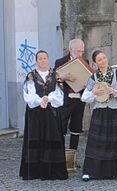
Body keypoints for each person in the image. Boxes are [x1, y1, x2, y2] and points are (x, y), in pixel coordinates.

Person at [81, 50, 117, 181]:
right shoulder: (94, 77)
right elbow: (84, 97)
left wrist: (115, 92)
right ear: (95, 63)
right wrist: (94, 92)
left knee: (114, 142)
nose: (103, 61)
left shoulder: (116, 73)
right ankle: (92, 170)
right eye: (99, 60)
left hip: (115, 110)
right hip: (100, 111)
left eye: (104, 58)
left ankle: (113, 170)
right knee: (97, 143)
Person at [19, 50, 68, 180]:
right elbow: (28, 94)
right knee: (36, 137)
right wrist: (40, 101)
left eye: (44, 58)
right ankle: (35, 171)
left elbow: (59, 94)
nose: (42, 60)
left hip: (51, 112)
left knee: (52, 137)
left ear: (48, 59)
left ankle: (52, 170)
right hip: (35, 112)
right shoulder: (31, 76)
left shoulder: (55, 75)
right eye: (40, 58)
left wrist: (48, 98)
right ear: (36, 61)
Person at [54, 38, 88, 154]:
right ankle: (60, 156)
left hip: (79, 100)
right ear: (70, 49)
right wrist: (64, 77)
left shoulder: (85, 61)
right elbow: (53, 78)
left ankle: (72, 158)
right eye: (78, 51)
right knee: (61, 127)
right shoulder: (60, 62)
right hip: (65, 99)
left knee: (76, 127)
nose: (80, 54)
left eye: (82, 51)